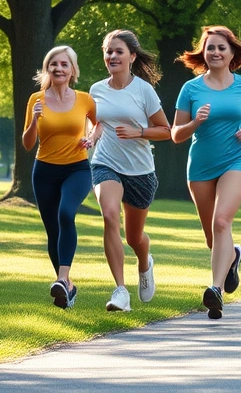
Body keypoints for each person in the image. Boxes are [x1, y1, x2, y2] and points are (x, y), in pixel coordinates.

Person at [171, 26, 241, 319]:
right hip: (201, 165)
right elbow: (176, 134)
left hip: (238, 160)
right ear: (203, 53)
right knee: (212, 237)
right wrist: (195, 123)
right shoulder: (190, 89)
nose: (215, 52)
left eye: (221, 48)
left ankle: (215, 290)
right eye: (210, 48)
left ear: (232, 54)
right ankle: (233, 255)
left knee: (221, 220)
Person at [89, 30, 172, 312]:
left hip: (140, 172)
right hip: (105, 163)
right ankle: (120, 291)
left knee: (134, 238)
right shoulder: (96, 90)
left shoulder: (143, 90)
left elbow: (166, 131)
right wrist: (91, 136)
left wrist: (139, 132)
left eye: (118, 51)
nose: (112, 56)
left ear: (132, 57)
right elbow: (97, 123)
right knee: (110, 215)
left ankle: (145, 261)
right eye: (108, 51)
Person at [22, 45, 97, 309]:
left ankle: (62, 279)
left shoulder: (85, 99)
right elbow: (28, 144)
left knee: (66, 214)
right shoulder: (36, 100)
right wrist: (33, 121)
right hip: (44, 170)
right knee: (52, 230)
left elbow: (100, 124)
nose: (59, 68)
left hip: (77, 168)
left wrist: (90, 138)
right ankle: (68, 287)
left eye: (64, 64)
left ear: (72, 70)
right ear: (47, 69)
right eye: (54, 64)